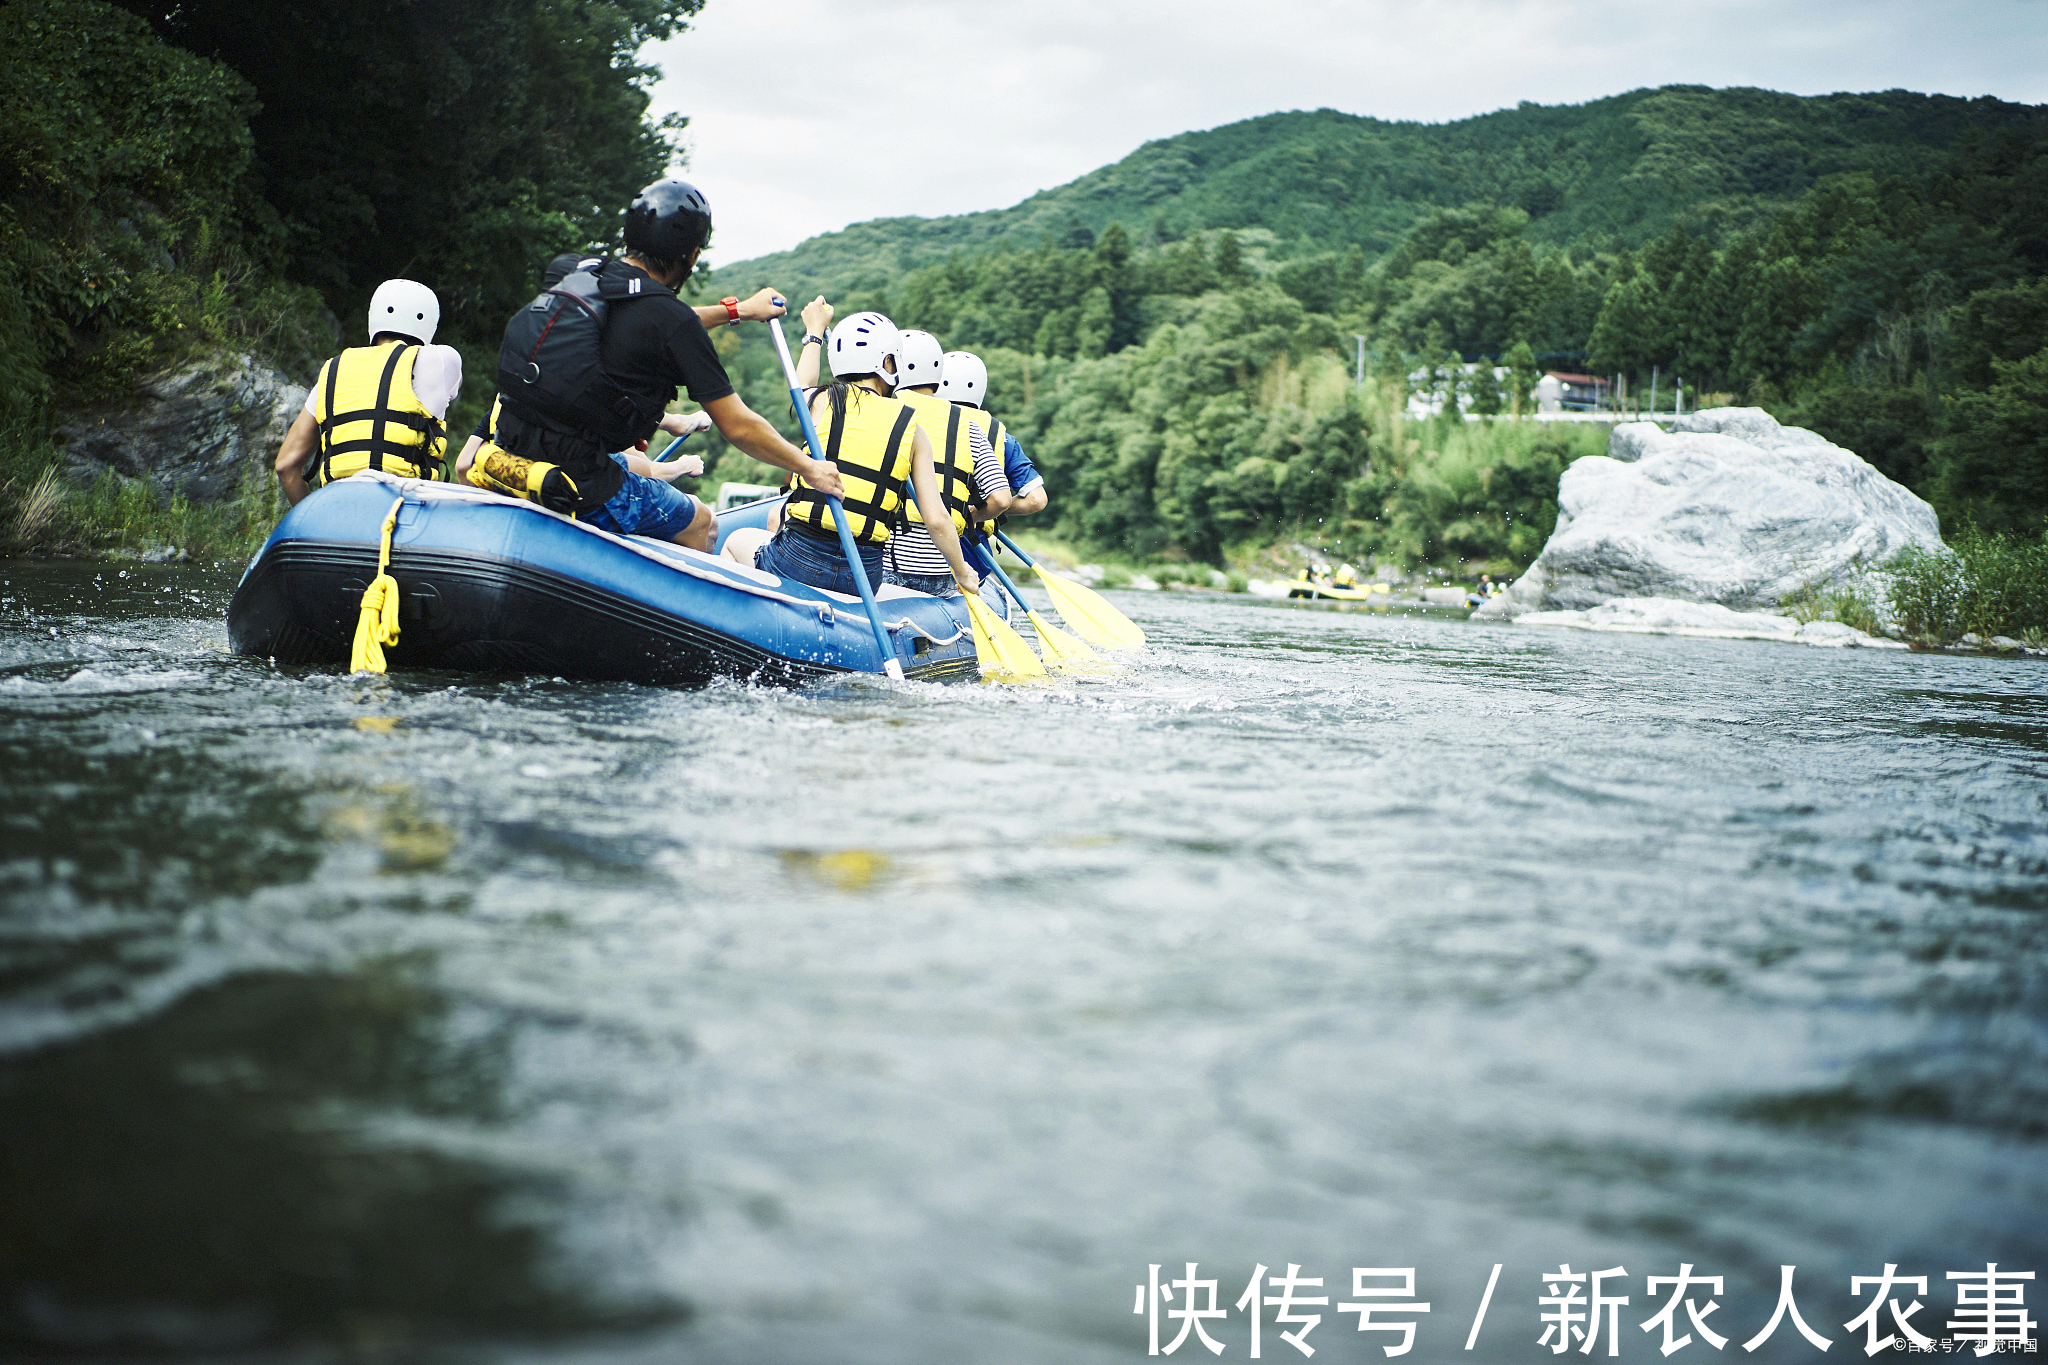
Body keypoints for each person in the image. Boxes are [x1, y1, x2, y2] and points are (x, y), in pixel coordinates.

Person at [485, 180, 843, 551]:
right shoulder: (671, 321)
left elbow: (659, 320)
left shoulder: (586, 279)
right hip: (580, 479)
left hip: (508, 453)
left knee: (637, 467)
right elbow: (739, 427)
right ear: (691, 255)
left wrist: (738, 311)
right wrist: (810, 468)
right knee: (702, 522)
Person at [751, 310, 979, 599]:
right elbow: (937, 519)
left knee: (736, 541)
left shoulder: (820, 401)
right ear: (887, 362)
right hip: (863, 575)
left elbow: (801, 385)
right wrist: (962, 572)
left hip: (800, 559)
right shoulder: (912, 428)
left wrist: (814, 331)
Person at [274, 279, 462, 506]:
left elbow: (285, 466)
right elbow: (452, 391)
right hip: (401, 507)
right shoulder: (442, 360)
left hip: (336, 508)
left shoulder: (333, 371)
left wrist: (311, 520)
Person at [873, 330, 1009, 595]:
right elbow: (1002, 499)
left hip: (881, 570)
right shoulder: (967, 426)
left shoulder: (880, 412)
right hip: (938, 574)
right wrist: (972, 515)